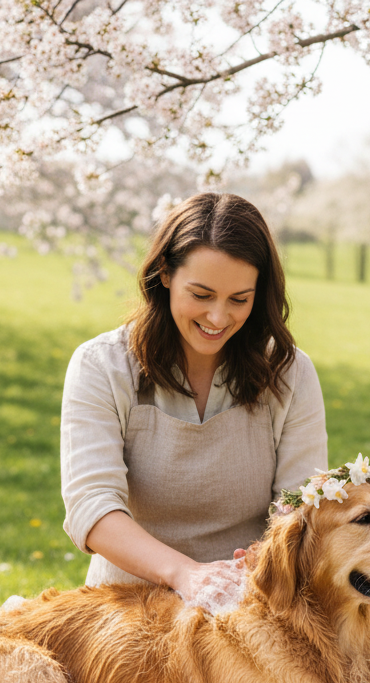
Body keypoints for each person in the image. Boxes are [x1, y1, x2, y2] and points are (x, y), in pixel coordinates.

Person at [60, 192, 328, 601]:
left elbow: (302, 506)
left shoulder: (289, 373)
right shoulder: (102, 366)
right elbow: (91, 506)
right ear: (165, 274)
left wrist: (259, 562)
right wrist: (185, 574)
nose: (218, 318)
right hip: (121, 612)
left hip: (243, 605)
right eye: (201, 295)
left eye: (240, 299)